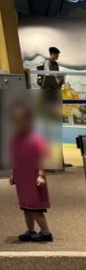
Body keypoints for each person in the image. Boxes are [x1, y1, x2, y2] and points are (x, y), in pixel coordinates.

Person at [8, 101, 53, 242]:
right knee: (25, 206)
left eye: (22, 120)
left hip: (33, 179)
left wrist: (41, 175)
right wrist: (12, 173)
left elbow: (43, 157)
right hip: (22, 178)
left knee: (35, 207)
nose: (19, 124)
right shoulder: (15, 139)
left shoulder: (35, 139)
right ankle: (31, 230)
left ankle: (46, 232)